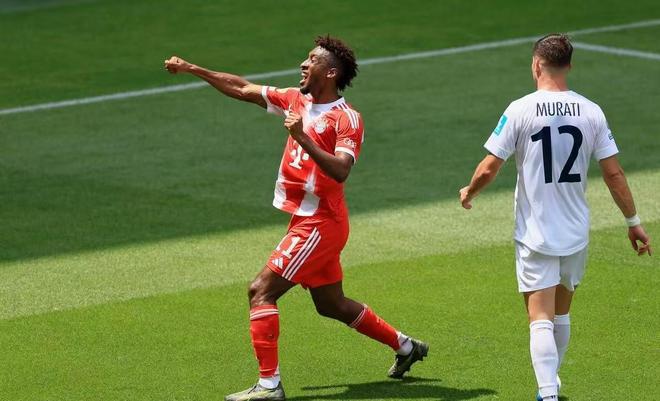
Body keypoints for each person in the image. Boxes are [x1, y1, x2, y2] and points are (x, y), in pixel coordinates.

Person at [165, 36, 428, 401]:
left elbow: (341, 170)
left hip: (321, 223)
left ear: (330, 73)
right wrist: (193, 68)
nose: (304, 64)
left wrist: (302, 137)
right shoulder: (295, 99)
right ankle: (406, 346)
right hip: (309, 219)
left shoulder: (347, 118)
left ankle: (269, 386)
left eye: (312, 60)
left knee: (260, 291)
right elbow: (242, 88)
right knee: (331, 304)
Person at [458, 34, 652, 401]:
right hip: (576, 231)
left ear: (536, 64)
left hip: (536, 233)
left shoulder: (520, 109)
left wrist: (470, 191)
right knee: (560, 315)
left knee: (539, 318)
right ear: (569, 66)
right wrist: (633, 222)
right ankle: (551, 383)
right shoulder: (592, 111)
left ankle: (547, 393)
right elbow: (614, 174)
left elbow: (489, 167)